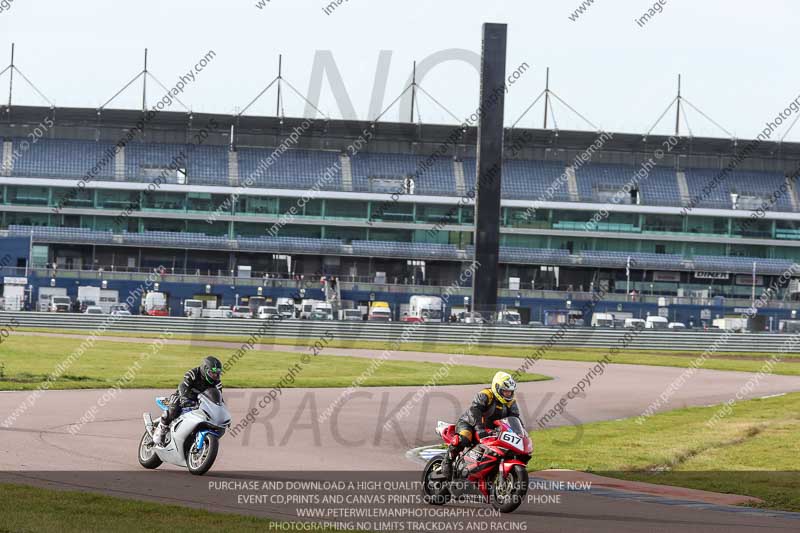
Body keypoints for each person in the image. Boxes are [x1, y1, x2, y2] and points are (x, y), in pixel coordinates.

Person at [440, 371, 521, 479]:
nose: (508, 394)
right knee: (465, 437)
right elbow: (475, 411)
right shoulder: (486, 395)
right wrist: (479, 428)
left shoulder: (511, 403)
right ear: (497, 388)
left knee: (503, 449)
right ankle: (447, 461)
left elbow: (515, 419)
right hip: (469, 423)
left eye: (510, 392)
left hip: (490, 430)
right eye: (505, 391)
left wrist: (520, 434)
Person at [152, 356, 224, 446]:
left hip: (200, 403)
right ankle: (161, 429)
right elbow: (183, 386)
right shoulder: (193, 374)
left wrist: (221, 411)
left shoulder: (217, 383)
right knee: (174, 407)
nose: (215, 376)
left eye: (217, 374)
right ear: (205, 370)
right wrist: (184, 399)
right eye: (212, 373)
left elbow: (219, 398)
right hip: (183, 397)